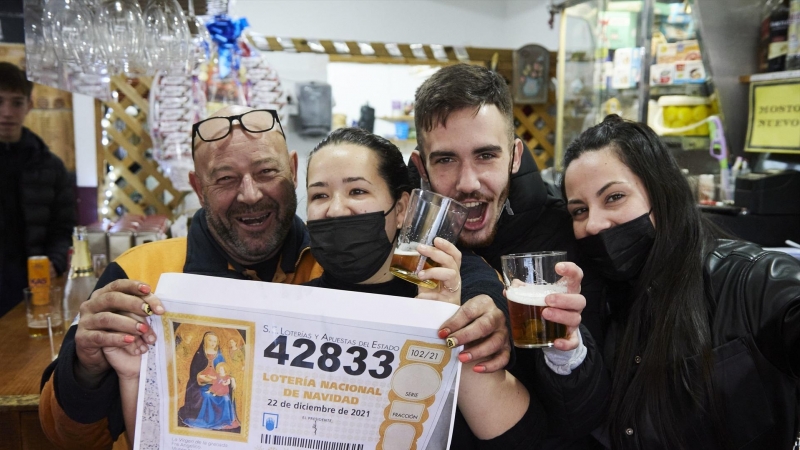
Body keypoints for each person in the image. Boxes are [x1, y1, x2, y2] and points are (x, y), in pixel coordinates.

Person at [39, 106, 515, 448]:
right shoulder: (145, 273)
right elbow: (65, 436)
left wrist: (479, 312)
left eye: (266, 172)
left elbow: (454, 279)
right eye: (225, 179)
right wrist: (84, 365)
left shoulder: (340, 264)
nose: (250, 195)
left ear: (290, 173)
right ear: (198, 188)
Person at [303, 127, 573, 447]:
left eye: (357, 191)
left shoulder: (448, 287)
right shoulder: (296, 304)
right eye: (319, 195)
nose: (335, 209)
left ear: (402, 209)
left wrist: (444, 325)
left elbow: (520, 438)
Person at [562, 114, 800, 449]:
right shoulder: (600, 301)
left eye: (614, 197)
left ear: (661, 193)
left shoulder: (748, 278)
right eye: (579, 211)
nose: (595, 224)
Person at [410, 63, 609, 446]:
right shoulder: (407, 237)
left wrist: (567, 350)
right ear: (421, 166)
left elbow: (588, 416)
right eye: (446, 159)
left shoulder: (570, 235)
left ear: (515, 157)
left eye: (486, 155)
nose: (468, 183)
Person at [0, 62, 76, 317]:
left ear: (29, 106)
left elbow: (63, 226)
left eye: (16, 103)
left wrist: (54, 262)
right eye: (0, 101)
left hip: (34, 286)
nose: (7, 112)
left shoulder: (50, 165)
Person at [179, 333, 239, 430]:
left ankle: (223, 420)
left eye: (215, 341)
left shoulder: (219, 355)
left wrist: (231, 379)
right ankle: (205, 420)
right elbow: (193, 372)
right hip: (201, 385)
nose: (212, 343)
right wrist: (201, 377)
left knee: (225, 398)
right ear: (205, 341)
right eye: (210, 340)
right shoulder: (199, 354)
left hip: (218, 384)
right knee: (207, 396)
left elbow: (227, 370)